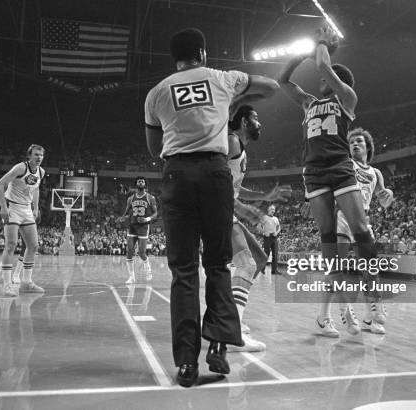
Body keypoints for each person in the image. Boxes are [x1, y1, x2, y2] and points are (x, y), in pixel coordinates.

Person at [144, 27, 279, 387]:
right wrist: (233, 96)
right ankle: (218, 345)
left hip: (177, 174)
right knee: (219, 263)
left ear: (175, 58)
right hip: (216, 174)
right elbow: (271, 86)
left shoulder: (156, 93)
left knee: (183, 270)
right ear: (202, 53)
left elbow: (152, 146)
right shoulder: (222, 78)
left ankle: (187, 364)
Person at [277, 23, 379, 336]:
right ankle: (327, 316)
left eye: (328, 77)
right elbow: (282, 80)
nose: (321, 78)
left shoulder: (347, 97)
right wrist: (299, 56)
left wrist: (321, 44)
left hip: (339, 165)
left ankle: (373, 299)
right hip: (313, 171)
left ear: (338, 80)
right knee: (327, 235)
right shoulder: (309, 103)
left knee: (361, 230)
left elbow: (323, 64)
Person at [226, 105, 292, 352]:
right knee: (246, 264)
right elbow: (216, 180)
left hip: (226, 207)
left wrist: (264, 195)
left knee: (259, 258)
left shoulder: (239, 150)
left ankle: (228, 315)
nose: (260, 123)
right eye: (255, 118)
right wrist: (245, 210)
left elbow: (234, 187)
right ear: (243, 121)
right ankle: (230, 331)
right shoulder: (231, 142)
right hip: (216, 208)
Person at [318, 128, 394, 337]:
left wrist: (388, 195)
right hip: (342, 216)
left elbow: (383, 198)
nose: (354, 144)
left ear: (367, 146)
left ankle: (370, 317)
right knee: (336, 269)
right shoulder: (346, 164)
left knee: (371, 268)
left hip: (363, 219)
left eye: (359, 141)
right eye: (351, 142)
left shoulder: (376, 173)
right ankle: (330, 314)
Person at [0, 145, 46, 297]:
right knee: (11, 245)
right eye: (36, 154)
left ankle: (26, 283)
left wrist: (36, 208)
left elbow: (35, 189)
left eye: (41, 155)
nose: (39, 157)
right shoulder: (20, 168)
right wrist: (3, 207)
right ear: (29, 155)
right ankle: (7, 285)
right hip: (12, 207)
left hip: (26, 209)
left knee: (33, 245)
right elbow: (0, 184)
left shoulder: (41, 172)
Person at [122, 177, 158, 283]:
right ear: (136, 184)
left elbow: (156, 214)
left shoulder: (150, 198)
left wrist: (146, 219)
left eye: (142, 181)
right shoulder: (130, 198)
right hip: (132, 226)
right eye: (139, 181)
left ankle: (148, 271)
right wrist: (123, 217)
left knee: (141, 253)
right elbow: (127, 213)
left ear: (145, 184)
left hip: (143, 227)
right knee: (129, 251)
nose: (141, 182)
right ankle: (131, 277)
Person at [261, 204, 281, 275]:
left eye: (274, 209)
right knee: (266, 254)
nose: (273, 210)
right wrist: (264, 232)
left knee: (275, 254)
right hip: (267, 237)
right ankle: (262, 268)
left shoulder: (276, 218)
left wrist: (277, 232)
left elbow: (279, 227)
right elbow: (259, 227)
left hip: (274, 237)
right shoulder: (264, 217)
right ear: (268, 210)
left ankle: (274, 270)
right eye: (272, 209)